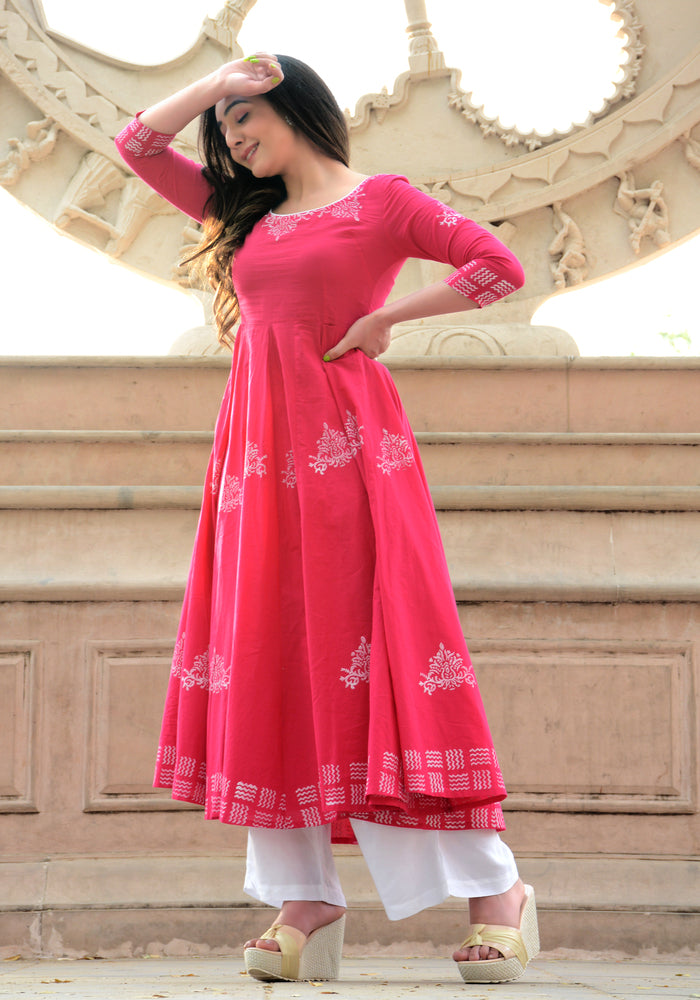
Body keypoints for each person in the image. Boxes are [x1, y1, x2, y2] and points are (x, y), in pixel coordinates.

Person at [115, 52, 539, 985]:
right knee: (270, 657)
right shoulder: (243, 212)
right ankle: (304, 898)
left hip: (350, 455)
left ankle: (496, 891)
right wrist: (217, 84)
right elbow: (136, 144)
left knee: (392, 656)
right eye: (224, 129)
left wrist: (392, 319)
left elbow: (498, 266)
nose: (233, 140)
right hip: (255, 467)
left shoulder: (383, 202)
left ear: (296, 106)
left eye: (246, 119)